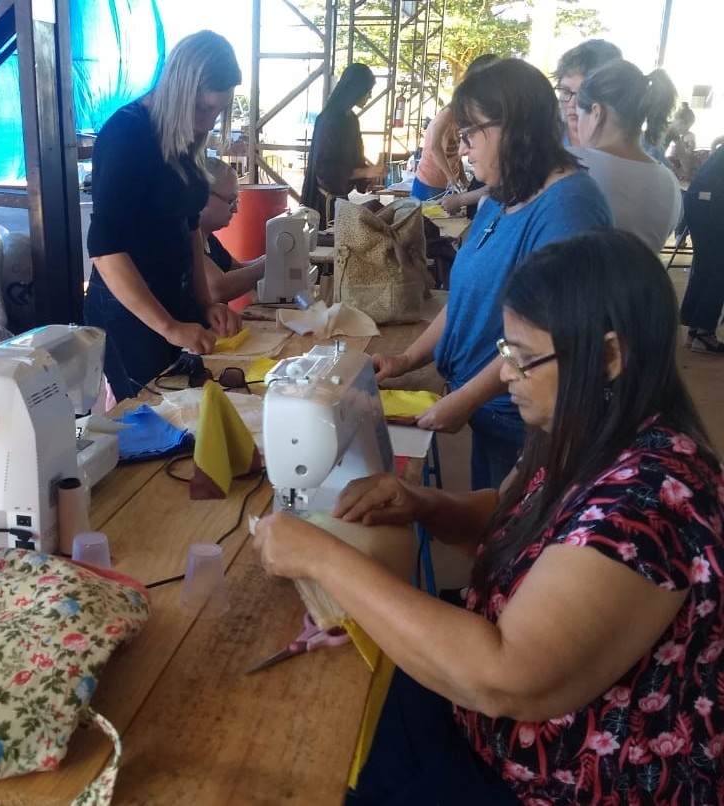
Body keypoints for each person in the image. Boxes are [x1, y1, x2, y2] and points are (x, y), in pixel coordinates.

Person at [255, 229, 724, 805]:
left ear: (608, 356)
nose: (505, 376)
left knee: (302, 764)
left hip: (558, 781)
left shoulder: (652, 500)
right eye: (506, 354)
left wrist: (323, 558)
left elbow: (506, 678)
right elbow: (508, 517)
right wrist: (423, 504)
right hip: (484, 727)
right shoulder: (585, 433)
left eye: (524, 359)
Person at [371, 58, 612, 490]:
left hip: (525, 420)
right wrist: (408, 359)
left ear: (512, 126)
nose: (463, 149)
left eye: (469, 134)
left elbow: (553, 338)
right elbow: (467, 296)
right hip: (490, 411)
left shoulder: (570, 208)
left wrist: (465, 399)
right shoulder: (504, 193)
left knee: (514, 535)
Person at [83, 30, 243, 401]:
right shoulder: (127, 135)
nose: (207, 123)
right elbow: (105, 250)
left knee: (195, 405)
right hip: (130, 310)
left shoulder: (186, 138)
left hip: (176, 298)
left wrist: (205, 305)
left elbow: (190, 230)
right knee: (157, 418)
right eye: (201, 110)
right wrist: (169, 327)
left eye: (216, 112)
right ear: (178, 90)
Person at [570, 59, 682, 252]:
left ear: (596, 113)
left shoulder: (570, 164)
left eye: (579, 116)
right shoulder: (669, 182)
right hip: (646, 281)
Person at [300, 63, 385, 223]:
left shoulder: (351, 119)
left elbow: (356, 161)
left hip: (340, 201)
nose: (370, 96)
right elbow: (325, 170)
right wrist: (365, 173)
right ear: (355, 90)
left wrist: (368, 179)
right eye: (368, 92)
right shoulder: (330, 119)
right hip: (322, 204)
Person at [412, 55, 500, 203]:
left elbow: (456, 155)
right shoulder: (446, 117)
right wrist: (452, 178)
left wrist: (461, 181)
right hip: (430, 182)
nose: (464, 149)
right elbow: (435, 147)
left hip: (446, 182)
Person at [199, 157, 265, 303]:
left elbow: (237, 270)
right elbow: (217, 288)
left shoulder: (208, 239)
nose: (235, 209)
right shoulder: (186, 240)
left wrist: (270, 258)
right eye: (230, 200)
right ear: (201, 195)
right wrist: (268, 265)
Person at [680, 144, 724, 353]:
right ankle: (704, 333)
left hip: (698, 201)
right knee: (719, 269)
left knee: (706, 264)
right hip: (711, 203)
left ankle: (694, 329)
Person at [553, 39, 622, 146]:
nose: (572, 103)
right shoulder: (538, 143)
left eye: (583, 93)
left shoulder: (639, 156)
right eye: (565, 92)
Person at [665, 101, 699, 183]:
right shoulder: (663, 129)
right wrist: (674, 169)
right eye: (685, 127)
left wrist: (688, 174)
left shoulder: (675, 135)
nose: (685, 131)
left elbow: (682, 156)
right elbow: (656, 155)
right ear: (677, 121)